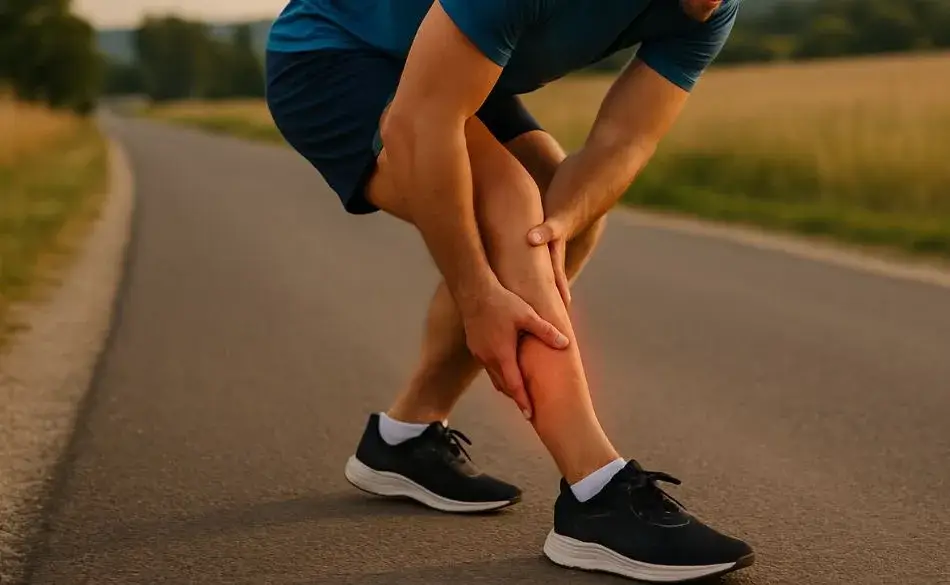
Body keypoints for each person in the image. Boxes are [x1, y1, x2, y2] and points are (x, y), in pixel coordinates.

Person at [265, 0, 754, 581]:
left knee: (554, 208)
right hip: (331, 59)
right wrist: (477, 294)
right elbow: (418, 119)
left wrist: (559, 227)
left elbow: (625, 138)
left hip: (441, 63)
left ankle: (405, 438)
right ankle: (594, 493)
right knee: (511, 204)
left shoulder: (713, 9)